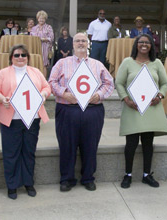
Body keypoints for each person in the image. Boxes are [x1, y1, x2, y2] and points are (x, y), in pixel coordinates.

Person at [48, 33, 114, 192]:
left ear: (88, 44)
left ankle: (88, 177)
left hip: (92, 111)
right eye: (77, 40)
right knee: (66, 146)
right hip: (67, 110)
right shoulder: (61, 63)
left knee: (90, 146)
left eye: (83, 41)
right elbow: (52, 82)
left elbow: (109, 83)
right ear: (72, 44)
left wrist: (98, 95)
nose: (80, 43)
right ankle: (66, 178)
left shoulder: (97, 64)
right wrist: (64, 93)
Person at [0, 44, 51, 200]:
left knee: (29, 152)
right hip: (12, 119)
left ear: (28, 57)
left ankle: (28, 183)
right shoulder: (4, 73)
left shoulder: (35, 72)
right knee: (11, 153)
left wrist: (43, 94)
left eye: (23, 55)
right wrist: (1, 98)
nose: (20, 58)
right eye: (16, 55)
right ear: (11, 57)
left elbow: (46, 86)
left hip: (32, 119)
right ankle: (12, 186)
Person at [115, 34, 167, 189]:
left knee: (148, 144)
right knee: (131, 144)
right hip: (133, 108)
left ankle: (147, 175)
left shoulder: (157, 63)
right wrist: (126, 99)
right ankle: (128, 175)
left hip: (151, 108)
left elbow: (165, 84)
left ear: (152, 45)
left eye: (147, 42)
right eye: (141, 42)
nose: (144, 45)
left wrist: (160, 95)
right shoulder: (127, 62)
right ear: (136, 44)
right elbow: (119, 83)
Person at [31, 10, 54, 77]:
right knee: (35, 63)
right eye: (40, 18)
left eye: (43, 18)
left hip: (45, 47)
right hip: (35, 47)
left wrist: (42, 39)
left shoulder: (48, 27)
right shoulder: (34, 28)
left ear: (45, 19)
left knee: (44, 64)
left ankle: (44, 80)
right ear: (37, 19)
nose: (41, 20)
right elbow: (31, 38)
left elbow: (51, 38)